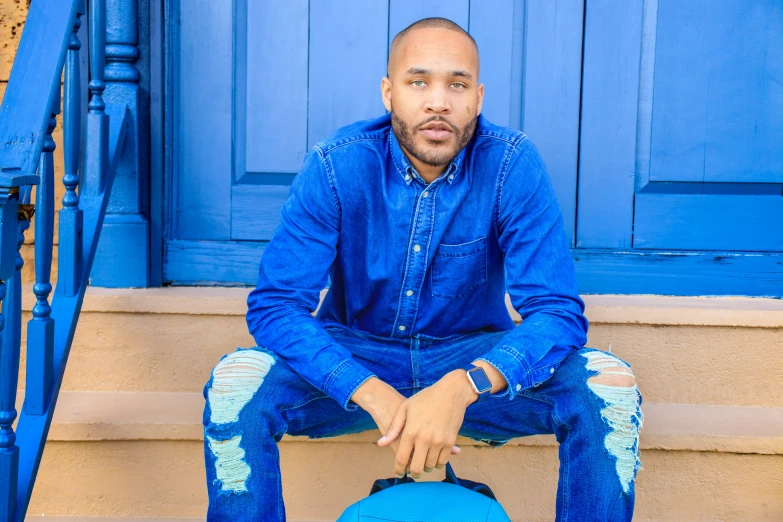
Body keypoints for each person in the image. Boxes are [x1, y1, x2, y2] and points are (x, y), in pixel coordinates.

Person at [202, 16, 644, 522]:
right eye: (418, 82)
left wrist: (464, 386)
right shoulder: (335, 164)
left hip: (470, 358)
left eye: (456, 84)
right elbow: (277, 306)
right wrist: (369, 391)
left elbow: (557, 312)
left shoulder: (510, 163)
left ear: (477, 97)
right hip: (357, 354)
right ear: (389, 93)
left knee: (607, 384)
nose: (439, 101)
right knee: (236, 382)